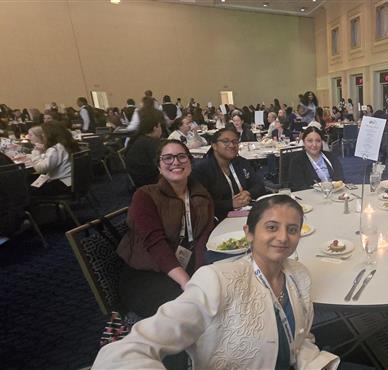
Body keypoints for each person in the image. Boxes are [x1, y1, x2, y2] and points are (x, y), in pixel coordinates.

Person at [95, 195, 339, 369]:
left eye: (293, 229)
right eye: (272, 227)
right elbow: (126, 352)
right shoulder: (217, 280)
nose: (283, 237)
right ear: (249, 233)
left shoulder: (299, 276)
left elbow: (300, 338)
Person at [115, 140, 214, 319]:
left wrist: (200, 277)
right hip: (147, 272)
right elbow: (155, 245)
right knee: (191, 312)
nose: (175, 162)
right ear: (159, 167)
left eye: (182, 157)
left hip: (188, 264)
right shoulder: (145, 195)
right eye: (167, 158)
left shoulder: (201, 195)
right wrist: (187, 283)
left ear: (190, 162)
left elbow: (202, 239)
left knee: (216, 296)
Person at [191, 128, 265, 220]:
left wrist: (248, 193)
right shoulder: (201, 169)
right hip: (217, 219)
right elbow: (202, 203)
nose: (232, 145)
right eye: (225, 141)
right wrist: (230, 204)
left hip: (245, 214)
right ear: (214, 146)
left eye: (235, 141)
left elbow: (259, 185)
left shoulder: (242, 162)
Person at [29, 123, 81, 196]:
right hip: (75, 181)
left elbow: (40, 169)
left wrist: (36, 152)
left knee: (27, 189)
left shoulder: (56, 149)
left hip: (63, 185)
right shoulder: (67, 145)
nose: (42, 136)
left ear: (50, 135)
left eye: (44, 134)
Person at [288, 127, 344, 191]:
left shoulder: (331, 157)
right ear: (304, 142)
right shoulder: (297, 161)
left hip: (334, 194)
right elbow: (299, 187)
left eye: (318, 141)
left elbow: (341, 179)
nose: (314, 144)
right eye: (310, 141)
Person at [125, 108, 164, 188]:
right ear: (155, 128)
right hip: (151, 181)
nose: (161, 130)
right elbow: (162, 164)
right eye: (160, 126)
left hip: (139, 179)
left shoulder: (139, 139)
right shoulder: (151, 143)